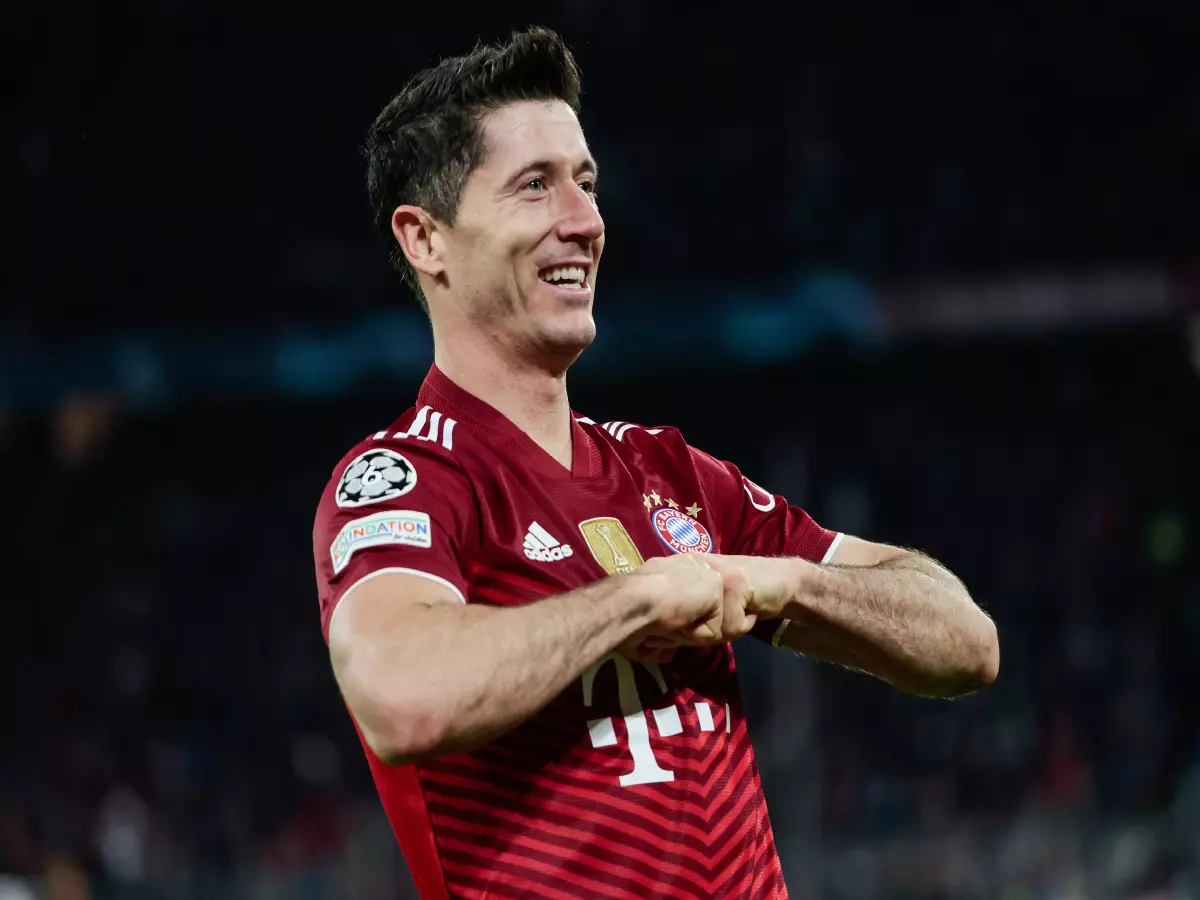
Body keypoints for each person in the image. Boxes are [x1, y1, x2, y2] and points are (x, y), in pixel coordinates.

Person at [312, 26, 999, 899]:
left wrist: (780, 584)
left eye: (586, 183)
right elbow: (404, 694)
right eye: (535, 187)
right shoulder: (408, 481)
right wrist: (639, 596)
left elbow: (965, 642)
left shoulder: (669, 475)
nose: (585, 221)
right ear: (426, 239)